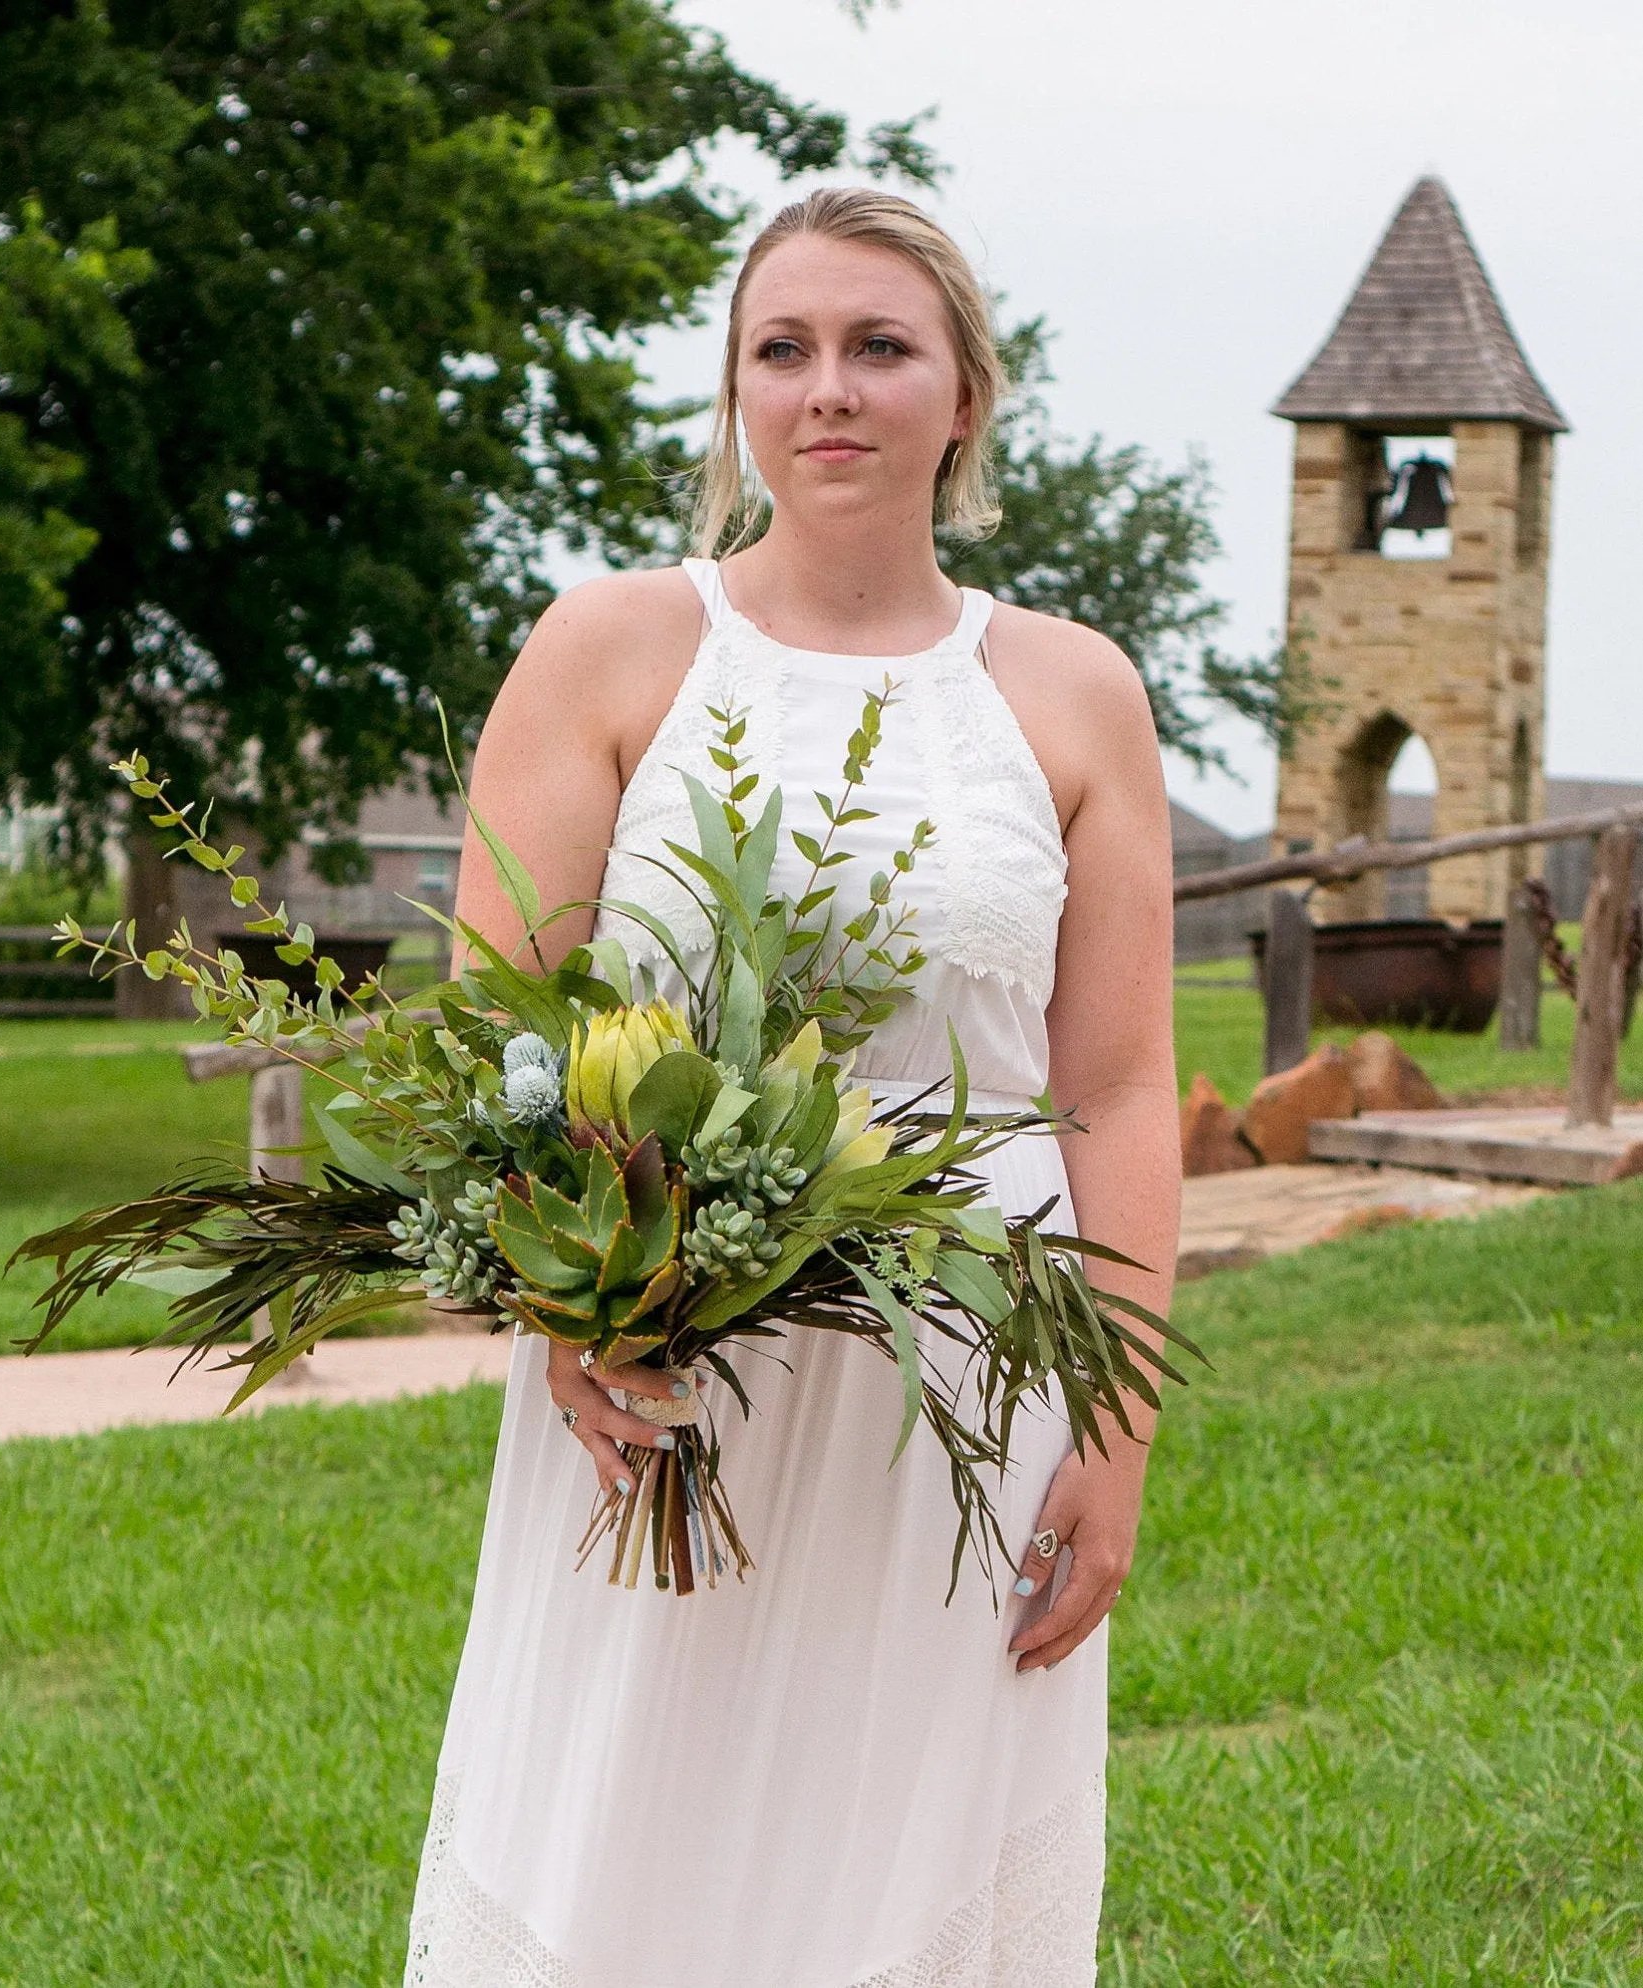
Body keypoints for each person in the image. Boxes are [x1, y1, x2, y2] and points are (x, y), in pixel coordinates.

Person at [406, 186, 1180, 1988]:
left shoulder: (1072, 695)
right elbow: (497, 1032)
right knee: (624, 1838)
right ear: (740, 395)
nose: (830, 389)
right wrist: (574, 1314)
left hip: (968, 1390)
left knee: (899, 1846)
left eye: (881, 347)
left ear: (966, 395)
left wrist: (1116, 1437)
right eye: (786, 349)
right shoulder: (610, 648)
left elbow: (1119, 1094)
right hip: (662, 1370)